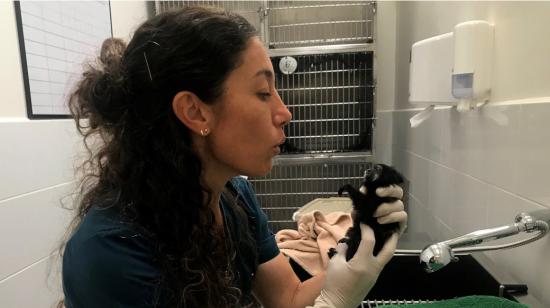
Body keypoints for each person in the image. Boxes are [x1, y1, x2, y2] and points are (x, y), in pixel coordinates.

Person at [60, 6, 408, 308]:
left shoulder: (234, 199)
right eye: (262, 92)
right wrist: (334, 302)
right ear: (195, 112)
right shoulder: (111, 255)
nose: (285, 113)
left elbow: (286, 298)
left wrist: (358, 249)